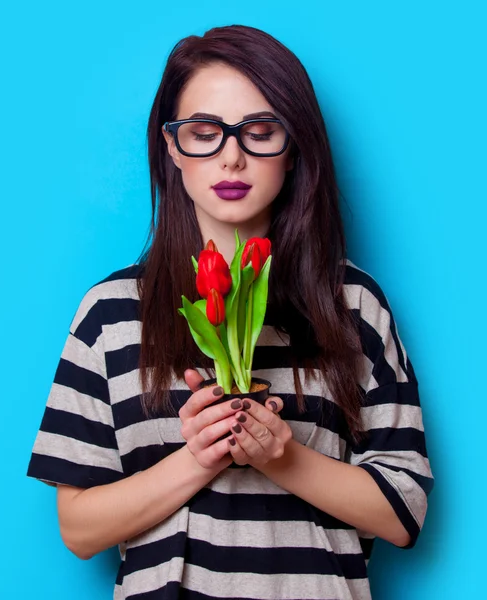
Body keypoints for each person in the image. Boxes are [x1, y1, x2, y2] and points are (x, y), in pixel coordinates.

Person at [27, 24, 434, 600]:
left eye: (261, 131)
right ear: (172, 147)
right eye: (204, 133)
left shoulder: (353, 304)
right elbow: (78, 528)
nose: (233, 158)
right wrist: (199, 457)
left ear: (293, 148)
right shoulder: (111, 313)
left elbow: (405, 509)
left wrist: (280, 456)